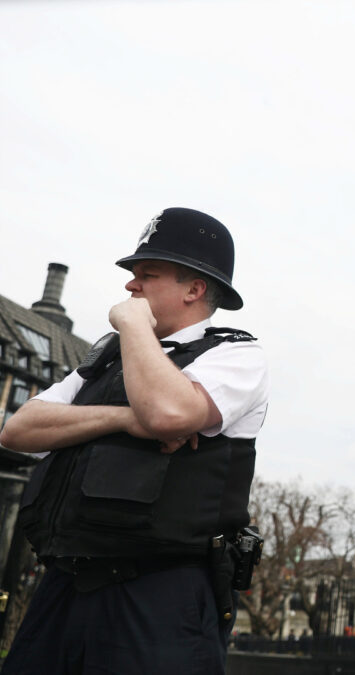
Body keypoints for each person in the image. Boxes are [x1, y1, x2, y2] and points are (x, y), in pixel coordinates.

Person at [0, 207, 269, 674]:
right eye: (132, 274)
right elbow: (20, 430)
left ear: (194, 289)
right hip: (64, 585)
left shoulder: (235, 354)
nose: (130, 286)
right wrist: (124, 417)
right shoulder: (105, 357)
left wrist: (133, 327)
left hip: (158, 594)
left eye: (148, 274)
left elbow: (168, 413)